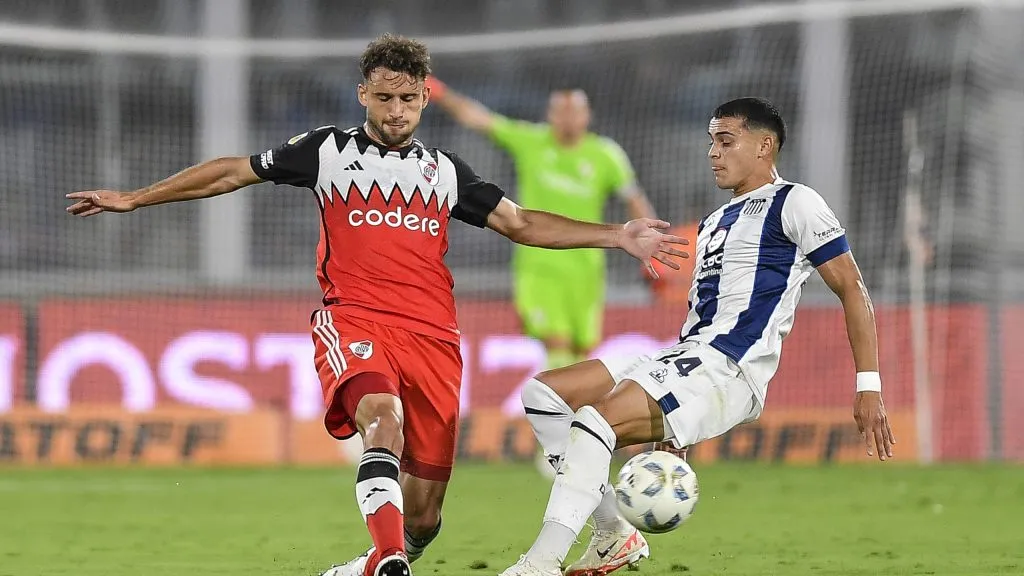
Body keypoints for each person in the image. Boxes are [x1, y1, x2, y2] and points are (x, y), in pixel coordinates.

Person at [65, 34, 686, 576]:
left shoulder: (447, 172)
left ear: (422, 98)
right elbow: (233, 171)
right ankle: (388, 564)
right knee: (380, 421)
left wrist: (615, 235)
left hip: (436, 341)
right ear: (363, 93)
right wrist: (135, 199)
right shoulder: (327, 151)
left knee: (426, 517)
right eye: (384, 98)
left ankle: (379, 560)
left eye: (408, 98)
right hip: (355, 321)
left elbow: (520, 223)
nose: (396, 111)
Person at [500, 97, 896, 576]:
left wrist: (868, 386)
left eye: (726, 141)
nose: (713, 152)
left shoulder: (796, 202)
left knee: (595, 421)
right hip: (689, 355)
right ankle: (613, 535)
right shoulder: (714, 223)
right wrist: (672, 413)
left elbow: (851, 287)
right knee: (544, 394)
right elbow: (700, 317)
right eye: (711, 141)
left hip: (729, 367)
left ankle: (540, 564)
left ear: (765, 146)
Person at [427, 77, 658, 371]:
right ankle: (556, 412)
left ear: (587, 115)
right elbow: (479, 118)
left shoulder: (605, 155)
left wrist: (652, 242)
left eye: (574, 111)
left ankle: (569, 410)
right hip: (540, 265)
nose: (568, 118)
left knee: (580, 349)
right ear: (550, 115)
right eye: (560, 111)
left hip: (586, 268)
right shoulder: (531, 140)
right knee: (556, 342)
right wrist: (440, 92)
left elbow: (635, 199)